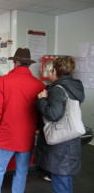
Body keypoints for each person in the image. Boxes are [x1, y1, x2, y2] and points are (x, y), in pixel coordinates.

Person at [0, 48, 45, 193]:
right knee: (22, 172)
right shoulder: (39, 85)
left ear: (14, 63)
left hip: (6, 133)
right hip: (27, 136)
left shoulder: (3, 81)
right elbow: (40, 113)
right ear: (29, 65)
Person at [35, 56, 85, 193]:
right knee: (66, 180)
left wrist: (42, 100)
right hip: (70, 139)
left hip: (60, 145)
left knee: (60, 183)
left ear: (55, 71)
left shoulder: (58, 88)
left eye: (51, 70)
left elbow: (53, 114)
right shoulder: (74, 86)